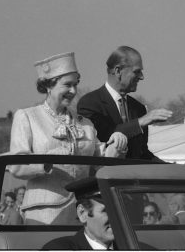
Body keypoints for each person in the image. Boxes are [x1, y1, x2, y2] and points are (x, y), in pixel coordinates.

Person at [9, 52, 127, 225]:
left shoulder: (85, 123)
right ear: (49, 86)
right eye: (67, 85)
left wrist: (115, 145)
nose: (73, 91)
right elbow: (16, 165)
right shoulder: (27, 117)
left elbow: (99, 162)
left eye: (75, 85)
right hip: (44, 214)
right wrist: (46, 161)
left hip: (83, 211)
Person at [77, 46, 172, 160]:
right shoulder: (90, 103)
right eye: (137, 71)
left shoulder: (138, 108)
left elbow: (142, 154)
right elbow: (105, 138)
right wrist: (139, 123)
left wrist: (174, 170)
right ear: (118, 71)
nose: (141, 77)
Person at [42, 177, 115, 250]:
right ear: (82, 213)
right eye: (107, 210)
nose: (117, 217)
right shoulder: (57, 249)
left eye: (120, 210)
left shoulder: (125, 245)